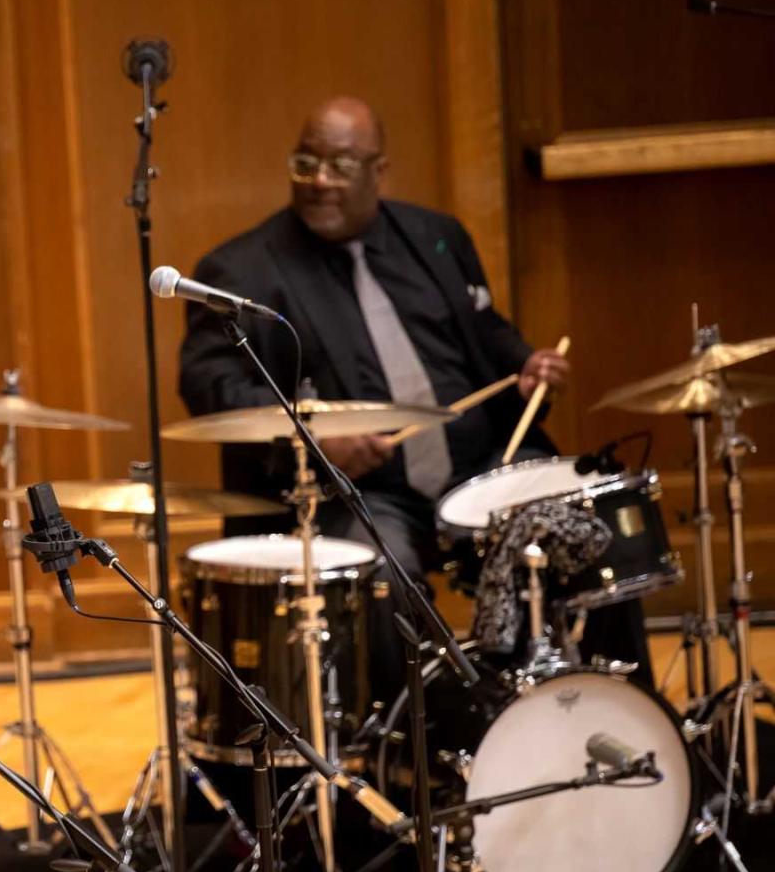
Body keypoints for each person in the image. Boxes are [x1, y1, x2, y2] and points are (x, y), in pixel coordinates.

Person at [177, 95, 649, 690]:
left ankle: (628, 708)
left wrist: (524, 364)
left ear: (379, 170)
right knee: (382, 575)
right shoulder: (243, 271)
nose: (320, 181)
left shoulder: (434, 238)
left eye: (341, 166)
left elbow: (485, 331)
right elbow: (210, 384)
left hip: (485, 466)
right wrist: (315, 439)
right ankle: (435, 744)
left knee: (596, 527)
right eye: (306, 164)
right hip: (362, 494)